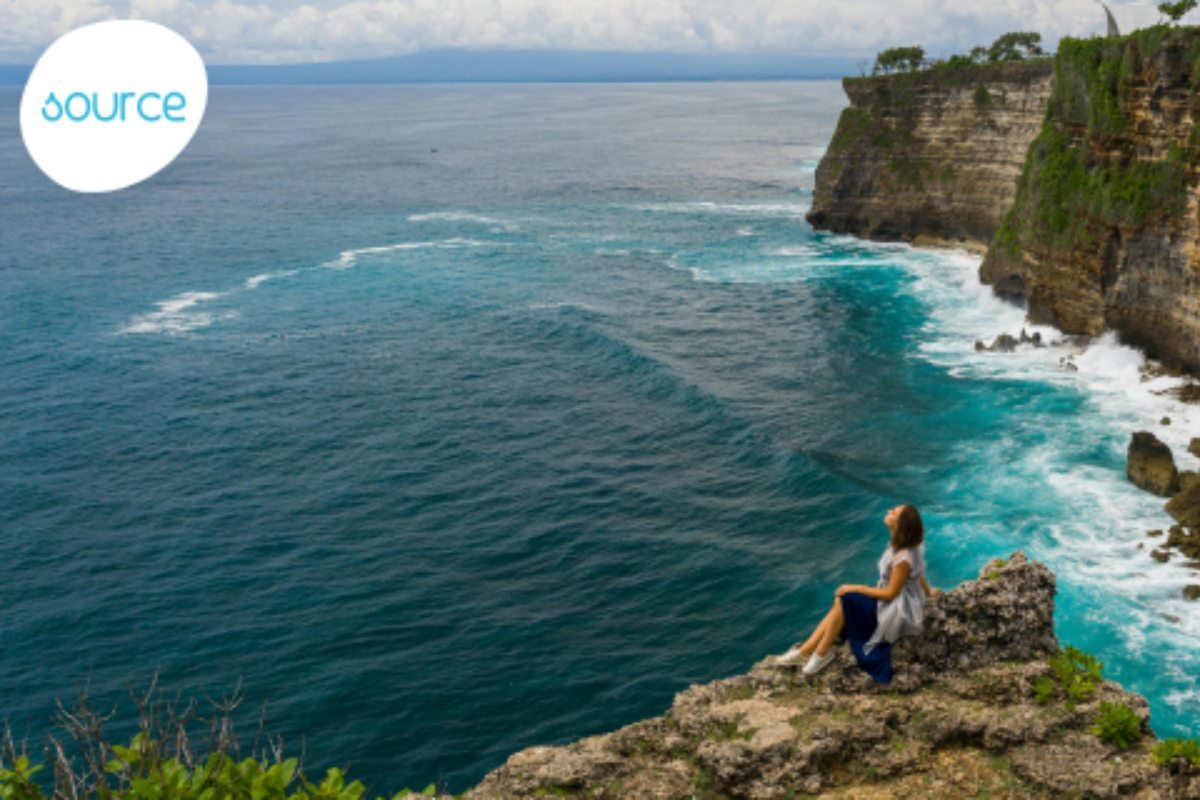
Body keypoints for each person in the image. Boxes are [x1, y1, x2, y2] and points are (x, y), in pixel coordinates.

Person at [778, 503, 937, 682]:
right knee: (841, 602)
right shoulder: (905, 544)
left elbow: (890, 594)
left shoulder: (903, 557)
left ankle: (819, 654)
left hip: (896, 609)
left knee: (845, 597)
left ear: (901, 524)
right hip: (898, 600)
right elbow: (917, 575)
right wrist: (928, 592)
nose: (888, 511)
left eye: (893, 512)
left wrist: (855, 587)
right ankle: (807, 652)